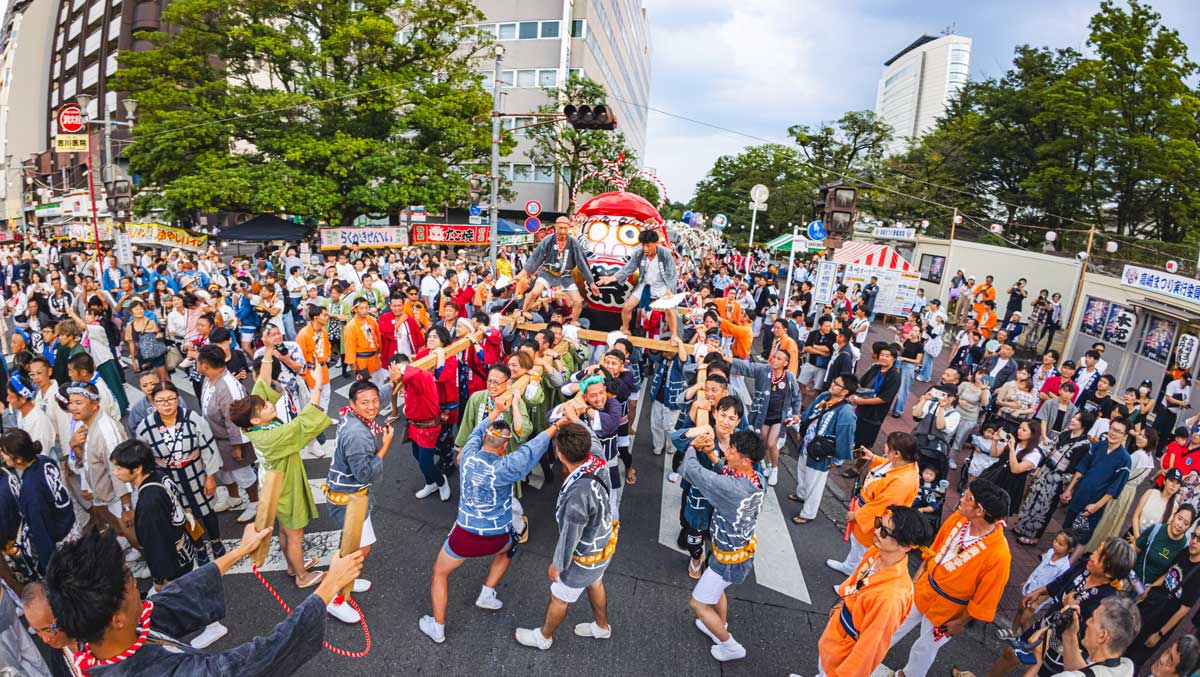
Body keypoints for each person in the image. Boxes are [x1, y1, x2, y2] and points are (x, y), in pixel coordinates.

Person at [44, 525, 365, 675]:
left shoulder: (105, 639)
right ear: (116, 618)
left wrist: (241, 551)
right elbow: (248, 663)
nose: (137, 587)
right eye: (129, 583)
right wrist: (328, 587)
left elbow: (177, 596)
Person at [108, 439, 229, 649]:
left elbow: (156, 543)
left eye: (119, 467)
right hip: (182, 546)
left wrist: (159, 577)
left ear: (137, 468)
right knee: (187, 590)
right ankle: (208, 626)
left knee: (182, 594)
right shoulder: (160, 476)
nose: (115, 472)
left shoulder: (149, 501)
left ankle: (207, 628)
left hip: (172, 558)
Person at [228, 350, 330, 596]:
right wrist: (316, 385)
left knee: (286, 529)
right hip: (285, 485)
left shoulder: (256, 427)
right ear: (255, 420)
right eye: (264, 406)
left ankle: (293, 566)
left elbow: (261, 385)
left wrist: (267, 351)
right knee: (295, 533)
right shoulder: (271, 436)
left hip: (275, 482)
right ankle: (302, 577)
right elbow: (303, 423)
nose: (269, 404)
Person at [888, 480, 1012, 677]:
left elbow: (986, 598)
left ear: (979, 511)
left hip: (950, 609)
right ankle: (869, 653)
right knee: (895, 623)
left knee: (925, 648)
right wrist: (919, 574)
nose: (961, 499)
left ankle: (908, 675)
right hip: (925, 587)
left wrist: (960, 622)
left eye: (967, 498)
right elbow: (935, 549)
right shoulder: (959, 518)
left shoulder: (999, 555)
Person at [513, 419, 615, 651]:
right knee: (595, 583)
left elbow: (570, 535)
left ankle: (544, 637)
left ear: (559, 454)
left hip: (583, 557)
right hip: (603, 543)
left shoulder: (577, 495)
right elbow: (593, 437)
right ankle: (602, 627)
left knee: (559, 598)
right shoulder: (597, 459)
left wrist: (558, 564)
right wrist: (576, 419)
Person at [676, 429, 765, 662]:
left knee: (698, 603)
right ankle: (719, 624)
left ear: (745, 460)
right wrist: (712, 456)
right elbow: (727, 474)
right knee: (718, 592)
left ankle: (731, 646)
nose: (727, 452)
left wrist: (693, 446)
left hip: (727, 559)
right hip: (738, 551)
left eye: (731, 451)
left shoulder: (732, 489)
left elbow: (692, 471)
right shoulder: (757, 478)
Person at [990, 537, 1135, 676]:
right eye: (1097, 550)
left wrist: (1070, 611)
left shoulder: (1106, 601)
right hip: (1045, 626)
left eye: (1099, 556)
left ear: (1109, 572)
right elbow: (1061, 581)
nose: (1092, 556)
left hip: (1063, 649)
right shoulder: (1085, 566)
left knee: (1036, 672)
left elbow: (1088, 633)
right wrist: (1039, 592)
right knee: (1011, 654)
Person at [815, 506, 932, 677]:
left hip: (846, 648)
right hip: (839, 633)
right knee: (823, 665)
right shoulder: (876, 553)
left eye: (884, 532)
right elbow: (857, 582)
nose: (876, 531)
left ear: (906, 546)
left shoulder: (891, 597)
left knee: (829, 671)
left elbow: (869, 650)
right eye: (878, 523)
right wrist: (842, 602)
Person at [133, 382, 226, 565]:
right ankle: (199, 547)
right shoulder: (145, 427)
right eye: (161, 401)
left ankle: (216, 541)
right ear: (153, 402)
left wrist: (210, 476)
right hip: (169, 478)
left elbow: (208, 447)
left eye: (171, 399)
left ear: (178, 399)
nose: (166, 404)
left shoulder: (192, 418)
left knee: (206, 509)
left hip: (195, 472)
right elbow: (145, 457)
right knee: (183, 512)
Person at [323, 379, 393, 624]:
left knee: (359, 547)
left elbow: (379, 394)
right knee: (354, 552)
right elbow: (364, 473)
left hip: (351, 496)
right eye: (365, 402)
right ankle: (334, 598)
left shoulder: (351, 415)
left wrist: (395, 381)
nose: (372, 406)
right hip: (349, 501)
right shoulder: (358, 435)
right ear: (352, 404)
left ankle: (348, 580)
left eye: (375, 401)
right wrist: (385, 446)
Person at [827, 432, 920, 576]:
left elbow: (881, 506)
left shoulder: (903, 482)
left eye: (887, 447)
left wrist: (857, 515)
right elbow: (888, 467)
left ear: (897, 453)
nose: (885, 448)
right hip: (866, 512)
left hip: (873, 521)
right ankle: (849, 567)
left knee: (865, 554)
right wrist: (873, 458)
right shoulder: (903, 465)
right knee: (857, 546)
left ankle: (855, 582)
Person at [66, 381, 135, 549]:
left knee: (137, 538)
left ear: (94, 404)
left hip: (120, 498)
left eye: (78, 402)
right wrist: (74, 445)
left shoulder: (106, 431)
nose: (72, 407)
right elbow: (91, 459)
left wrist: (126, 507)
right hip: (108, 496)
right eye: (71, 402)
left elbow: (119, 470)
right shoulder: (86, 425)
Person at [0, 429, 75, 577]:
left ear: (18, 459)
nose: (1, 454)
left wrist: (49, 568)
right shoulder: (43, 459)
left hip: (61, 543)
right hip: (70, 525)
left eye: (5, 452)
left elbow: (41, 531)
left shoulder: (30, 490)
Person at [1012, 412, 1096, 545]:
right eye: (1074, 417)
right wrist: (1040, 466)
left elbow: (1074, 468)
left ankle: (1034, 536)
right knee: (1032, 498)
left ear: (1084, 424)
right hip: (1046, 470)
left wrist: (1067, 488)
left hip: (1059, 478)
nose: (1073, 420)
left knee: (1046, 506)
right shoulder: (1065, 434)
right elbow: (1049, 449)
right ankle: (1022, 526)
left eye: (1077, 419)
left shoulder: (1084, 445)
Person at [196, 345, 258, 521]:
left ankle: (255, 502)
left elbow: (235, 419)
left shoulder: (228, 387)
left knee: (242, 473)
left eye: (197, 362)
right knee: (224, 472)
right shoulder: (209, 379)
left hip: (230, 440)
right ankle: (234, 497)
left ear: (205, 365)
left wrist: (237, 446)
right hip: (215, 438)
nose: (196, 365)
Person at [790, 374, 858, 525]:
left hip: (822, 451)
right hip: (808, 443)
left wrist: (837, 459)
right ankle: (801, 494)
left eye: (837, 384)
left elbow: (845, 437)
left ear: (845, 392)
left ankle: (808, 513)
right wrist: (802, 430)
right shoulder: (824, 396)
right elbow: (809, 414)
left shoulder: (846, 412)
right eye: (834, 381)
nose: (832, 384)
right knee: (802, 471)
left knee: (815, 483)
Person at [1061, 418, 1132, 550]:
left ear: (1125, 436)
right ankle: (1056, 555)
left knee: (1081, 538)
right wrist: (1069, 489)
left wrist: (1096, 506)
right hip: (1079, 495)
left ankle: (1069, 561)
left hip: (1093, 504)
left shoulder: (1125, 459)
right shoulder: (1097, 446)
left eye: (1119, 431)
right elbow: (1082, 468)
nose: (1113, 433)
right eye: (1112, 429)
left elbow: (1114, 488)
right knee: (1066, 529)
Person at [596, 229, 679, 338]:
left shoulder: (665, 253)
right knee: (627, 306)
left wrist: (669, 290)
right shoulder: (639, 253)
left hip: (662, 285)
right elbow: (628, 268)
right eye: (643, 245)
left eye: (648, 245)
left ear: (656, 243)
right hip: (646, 284)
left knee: (670, 309)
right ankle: (625, 329)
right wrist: (611, 278)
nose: (645, 249)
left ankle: (674, 335)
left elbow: (671, 273)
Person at [517, 217, 600, 323]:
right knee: (534, 293)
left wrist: (591, 282)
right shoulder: (548, 240)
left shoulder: (573, 242)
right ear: (555, 227)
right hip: (547, 272)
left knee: (578, 301)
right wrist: (520, 275)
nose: (563, 231)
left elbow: (582, 263)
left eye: (565, 228)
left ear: (569, 228)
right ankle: (523, 311)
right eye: (560, 228)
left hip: (566, 275)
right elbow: (535, 258)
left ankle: (573, 322)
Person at [996, 531, 1075, 641]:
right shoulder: (1050, 552)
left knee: (1024, 620)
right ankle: (1012, 631)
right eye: (1055, 540)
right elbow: (1040, 568)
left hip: (1039, 597)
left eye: (1060, 544)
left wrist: (1038, 602)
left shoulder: (1064, 568)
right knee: (1020, 610)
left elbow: (1054, 588)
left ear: (1070, 549)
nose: (1055, 544)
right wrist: (1028, 581)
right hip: (1031, 587)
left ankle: (1027, 640)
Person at [848, 343, 901, 452]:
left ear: (894, 359)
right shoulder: (875, 368)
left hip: (874, 415)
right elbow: (861, 383)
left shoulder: (894, 376)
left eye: (887, 356)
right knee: (853, 433)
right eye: (882, 355)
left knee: (864, 444)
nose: (883, 358)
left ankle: (860, 461)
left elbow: (884, 399)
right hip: (861, 408)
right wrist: (854, 394)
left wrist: (862, 401)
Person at [1132, 503, 1194, 590]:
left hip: (1150, 591)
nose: (1180, 525)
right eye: (1179, 518)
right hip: (1132, 579)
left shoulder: (1184, 547)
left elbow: (1170, 573)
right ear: (1174, 515)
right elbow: (1134, 549)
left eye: (1186, 523)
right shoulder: (1156, 529)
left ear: (1189, 527)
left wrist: (1150, 589)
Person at [1132, 467, 1185, 541]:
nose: (1174, 485)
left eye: (1177, 483)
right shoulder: (1150, 493)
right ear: (1164, 481)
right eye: (1171, 481)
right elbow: (1136, 516)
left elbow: (1165, 531)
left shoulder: (1175, 507)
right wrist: (1137, 538)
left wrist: (1140, 543)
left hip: (1150, 542)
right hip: (1133, 534)